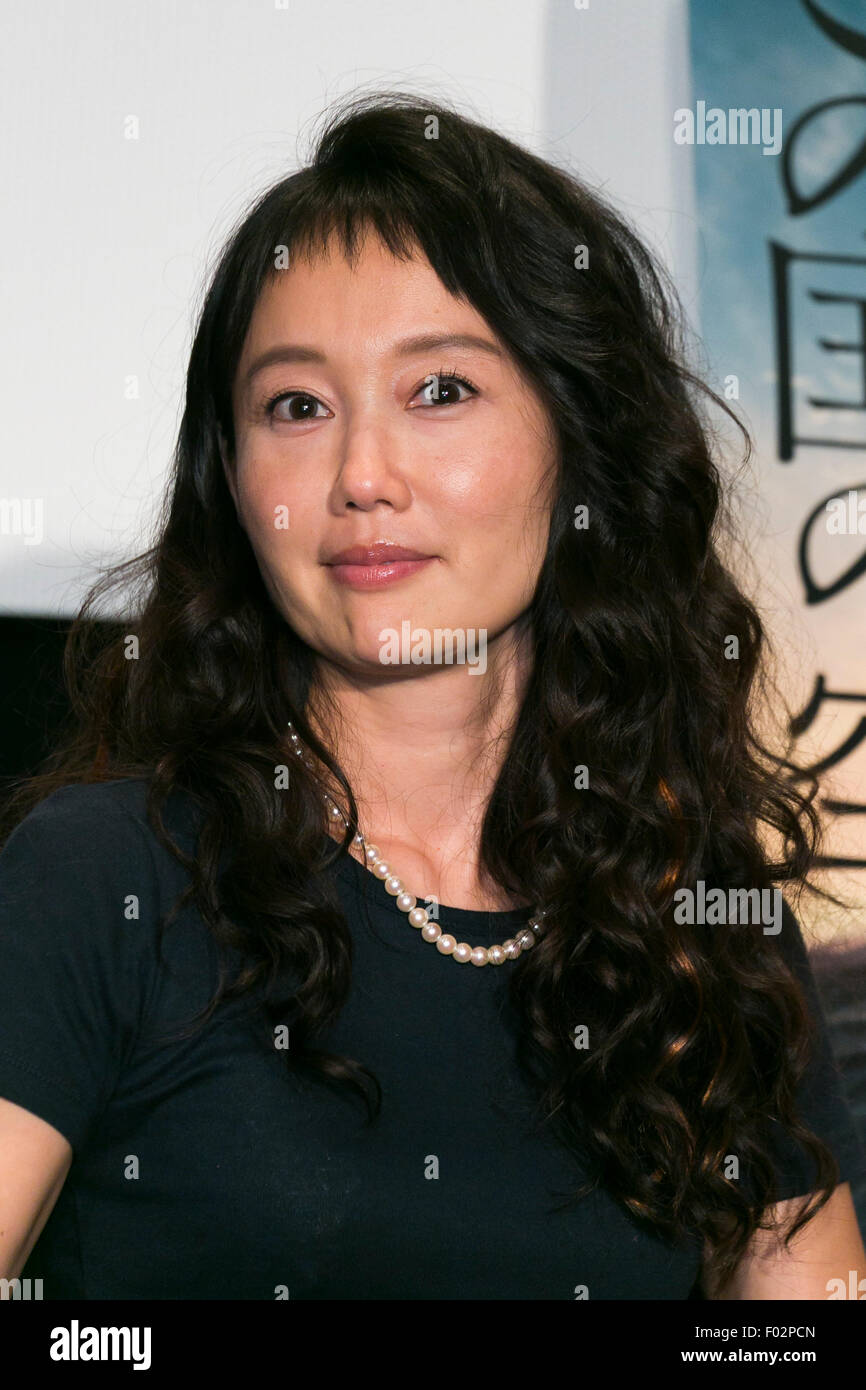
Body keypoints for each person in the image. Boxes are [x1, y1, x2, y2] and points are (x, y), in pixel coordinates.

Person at [0, 91, 864, 1302]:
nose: (360, 475)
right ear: (232, 477)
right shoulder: (102, 878)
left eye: (439, 391)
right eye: (295, 406)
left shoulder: (697, 925)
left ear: (582, 438)